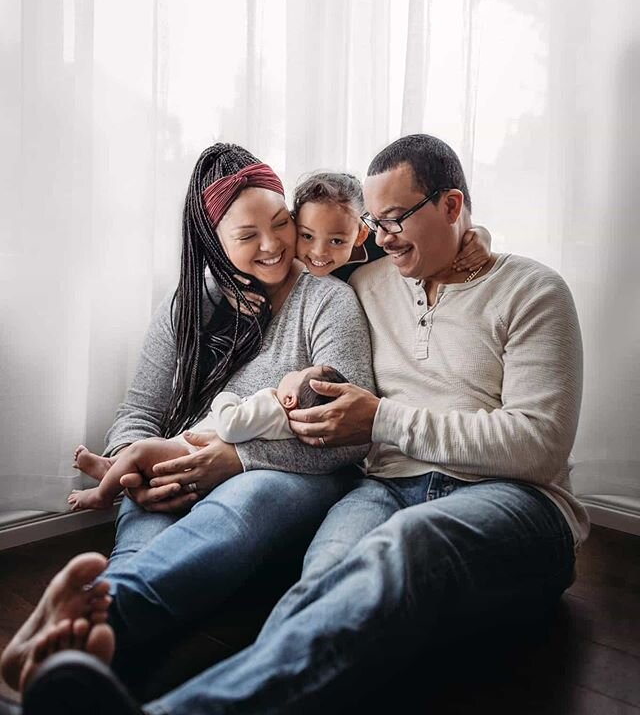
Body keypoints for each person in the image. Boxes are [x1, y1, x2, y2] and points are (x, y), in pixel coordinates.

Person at [1, 133, 588, 715]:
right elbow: (332, 250)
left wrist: (368, 419)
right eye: (373, 224)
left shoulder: (527, 291)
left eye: (392, 220)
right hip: (383, 486)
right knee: (324, 580)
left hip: (507, 496)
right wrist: (139, 455)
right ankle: (75, 649)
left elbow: (535, 446)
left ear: (452, 206)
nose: (379, 238)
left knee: (401, 545)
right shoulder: (369, 280)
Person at [0, 142, 375, 697]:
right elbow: (139, 414)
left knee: (236, 507)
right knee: (143, 550)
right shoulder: (189, 307)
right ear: (214, 242)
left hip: (286, 477)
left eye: (280, 224)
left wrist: (238, 460)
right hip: (178, 466)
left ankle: (83, 640)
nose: (274, 246)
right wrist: (139, 473)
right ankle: (82, 674)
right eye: (248, 237)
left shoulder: (326, 301)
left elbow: (351, 433)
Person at [67, 365, 349, 512]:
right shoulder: (283, 418)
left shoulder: (271, 406)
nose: (292, 372)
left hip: (192, 454)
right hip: (192, 452)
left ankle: (103, 494)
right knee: (138, 454)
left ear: (290, 399)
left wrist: (226, 397)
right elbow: (140, 407)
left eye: (298, 373)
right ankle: (112, 465)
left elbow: (230, 427)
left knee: (141, 451)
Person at [291, 169, 491, 282]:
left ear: (361, 234)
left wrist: (481, 235)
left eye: (336, 241)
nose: (319, 252)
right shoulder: (291, 249)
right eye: (307, 236)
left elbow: (436, 236)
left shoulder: (382, 240)